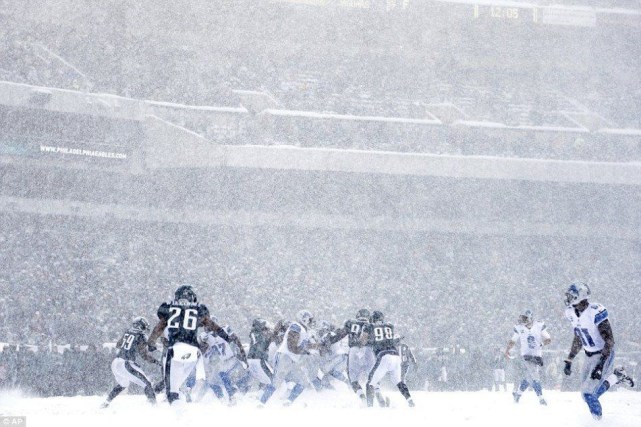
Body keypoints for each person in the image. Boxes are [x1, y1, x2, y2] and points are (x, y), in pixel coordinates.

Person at [147, 285, 246, 404]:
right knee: (177, 384)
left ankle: (178, 410)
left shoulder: (168, 308)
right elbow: (213, 326)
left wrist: (151, 342)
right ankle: (179, 396)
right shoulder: (198, 309)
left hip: (175, 349)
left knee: (172, 391)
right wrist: (228, 338)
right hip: (194, 352)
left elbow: (160, 327)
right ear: (192, 297)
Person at [562, 282, 635, 420]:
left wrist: (601, 365)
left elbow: (609, 340)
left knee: (589, 394)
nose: (568, 298)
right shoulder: (571, 312)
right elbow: (578, 337)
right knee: (586, 396)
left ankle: (598, 422)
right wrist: (570, 359)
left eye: (571, 295)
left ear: (580, 296)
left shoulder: (595, 311)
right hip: (588, 355)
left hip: (603, 353)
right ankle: (617, 376)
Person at [259, 309, 317, 406]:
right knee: (276, 382)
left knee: (303, 382)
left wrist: (320, 346)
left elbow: (305, 345)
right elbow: (292, 347)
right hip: (284, 357)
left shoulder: (303, 330)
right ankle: (261, 402)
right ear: (304, 319)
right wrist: (304, 351)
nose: (311, 322)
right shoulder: (296, 327)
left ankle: (288, 401)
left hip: (293, 360)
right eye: (309, 320)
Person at [101, 317, 161, 408]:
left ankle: (106, 402)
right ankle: (154, 406)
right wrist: (156, 361)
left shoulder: (127, 332)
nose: (145, 329)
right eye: (144, 327)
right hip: (126, 363)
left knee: (123, 384)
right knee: (147, 384)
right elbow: (144, 356)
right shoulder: (140, 336)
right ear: (141, 326)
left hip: (116, 362)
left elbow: (118, 344)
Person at [364, 311, 414, 407]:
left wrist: (367, 342)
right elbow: (387, 339)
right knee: (399, 382)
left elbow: (365, 340)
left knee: (370, 383)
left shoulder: (370, 327)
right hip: (395, 357)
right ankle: (410, 401)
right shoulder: (389, 326)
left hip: (384, 356)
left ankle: (369, 406)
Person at [325, 308, 375, 401]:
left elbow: (339, 335)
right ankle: (376, 397)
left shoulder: (351, 323)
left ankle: (362, 396)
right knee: (372, 377)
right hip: (368, 351)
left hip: (354, 350)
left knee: (352, 377)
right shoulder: (372, 326)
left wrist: (329, 341)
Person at [504, 310, 550, 405]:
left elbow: (548, 339)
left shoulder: (538, 325)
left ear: (530, 318)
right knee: (535, 377)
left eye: (525, 318)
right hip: (526, 355)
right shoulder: (519, 328)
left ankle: (518, 395)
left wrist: (541, 344)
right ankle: (541, 398)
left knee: (529, 378)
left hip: (537, 355)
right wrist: (507, 349)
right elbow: (513, 340)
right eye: (522, 318)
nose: (522, 320)